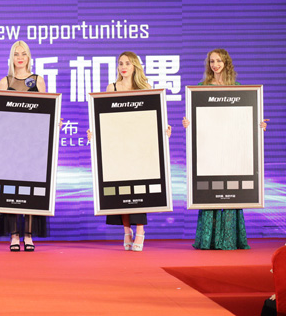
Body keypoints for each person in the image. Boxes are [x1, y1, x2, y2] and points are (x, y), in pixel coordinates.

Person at [182, 48, 268, 250]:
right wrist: (189, 124)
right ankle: (207, 240)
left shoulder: (237, 88)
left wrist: (259, 125)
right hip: (209, 149)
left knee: (231, 193)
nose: (215, 65)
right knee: (209, 193)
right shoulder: (201, 88)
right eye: (212, 61)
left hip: (231, 149)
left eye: (219, 61)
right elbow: (199, 120)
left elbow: (244, 120)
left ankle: (231, 239)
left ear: (226, 63)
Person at [87, 51, 171, 252]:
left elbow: (153, 118)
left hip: (139, 146)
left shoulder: (146, 88)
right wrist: (95, 133)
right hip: (117, 145)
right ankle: (126, 231)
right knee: (120, 190)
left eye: (127, 63)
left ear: (135, 66)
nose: (123, 67)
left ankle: (140, 231)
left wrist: (163, 131)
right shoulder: (112, 88)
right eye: (120, 63)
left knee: (138, 190)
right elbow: (104, 116)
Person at [0, 40, 49, 252]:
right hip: (10, 144)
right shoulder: (5, 81)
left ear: (29, 57)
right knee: (10, 188)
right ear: (11, 57)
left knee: (31, 188)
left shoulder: (38, 80)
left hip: (33, 144)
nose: (20, 57)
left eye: (23, 53)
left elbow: (47, 109)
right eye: (16, 54)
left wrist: (53, 122)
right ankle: (14, 235)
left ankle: (28, 234)